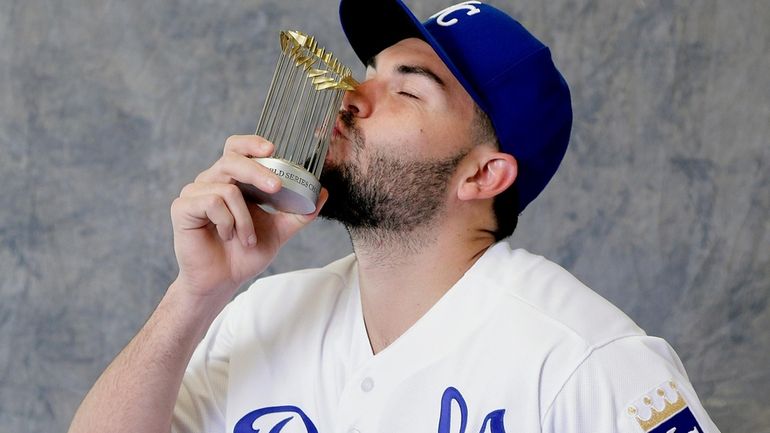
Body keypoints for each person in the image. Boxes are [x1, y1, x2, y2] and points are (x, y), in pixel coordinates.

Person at [68, 1, 721, 432]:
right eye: (369, 71)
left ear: (483, 174)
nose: (350, 95)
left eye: (406, 87)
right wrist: (194, 295)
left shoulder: (586, 362)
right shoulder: (256, 314)